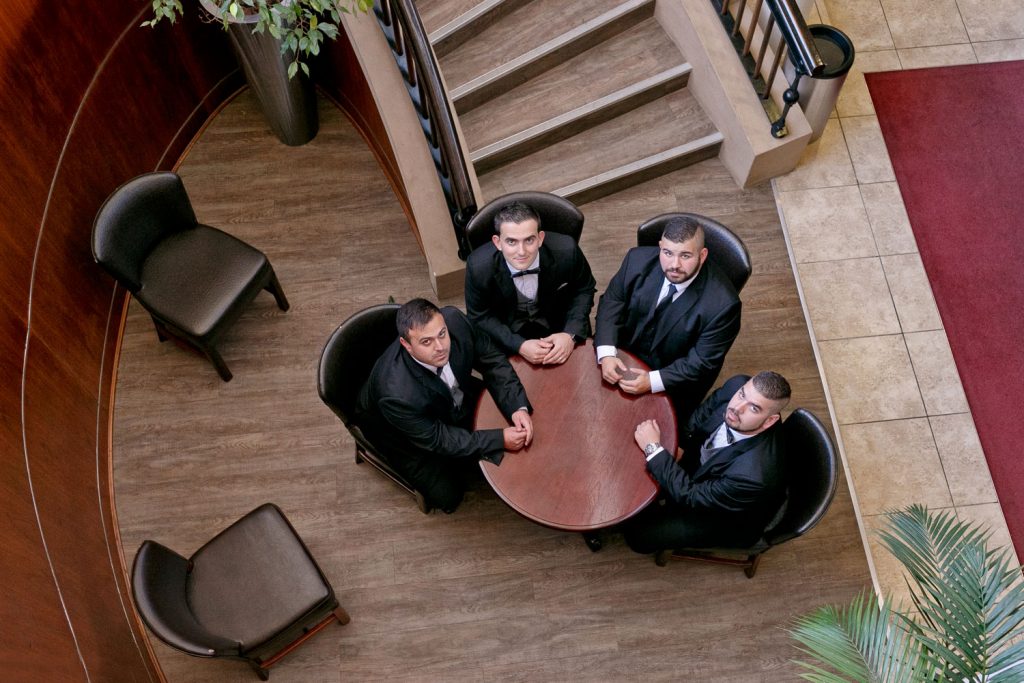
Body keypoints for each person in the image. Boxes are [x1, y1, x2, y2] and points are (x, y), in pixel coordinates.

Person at [355, 298, 534, 513]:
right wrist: (500, 439)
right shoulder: (395, 395)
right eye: (426, 342)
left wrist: (517, 407)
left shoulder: (454, 320)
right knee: (450, 498)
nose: (441, 347)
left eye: (442, 334)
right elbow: (439, 438)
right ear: (406, 345)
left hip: (450, 397)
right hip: (401, 434)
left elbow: (492, 360)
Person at [624, 372, 790, 554]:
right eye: (742, 395)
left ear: (770, 421)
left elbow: (691, 496)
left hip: (721, 517)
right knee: (632, 474)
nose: (737, 408)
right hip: (704, 469)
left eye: (754, 408)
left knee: (638, 537)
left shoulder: (752, 477)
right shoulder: (737, 384)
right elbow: (705, 411)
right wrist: (682, 444)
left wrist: (653, 448)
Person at [593, 215, 741, 419]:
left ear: (703, 255)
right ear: (660, 246)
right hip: (621, 355)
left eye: (686, 256)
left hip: (672, 379)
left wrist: (653, 381)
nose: (674, 265)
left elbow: (701, 361)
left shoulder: (724, 305)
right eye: (668, 253)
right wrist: (607, 352)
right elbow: (612, 302)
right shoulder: (636, 260)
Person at [465, 201, 596, 365]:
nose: (521, 252)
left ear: (540, 238)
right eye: (511, 242)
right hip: (506, 329)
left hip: (558, 321)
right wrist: (518, 345)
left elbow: (584, 289)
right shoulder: (478, 267)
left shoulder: (567, 251)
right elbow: (479, 315)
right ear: (498, 242)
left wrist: (569, 334)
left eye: (529, 240)